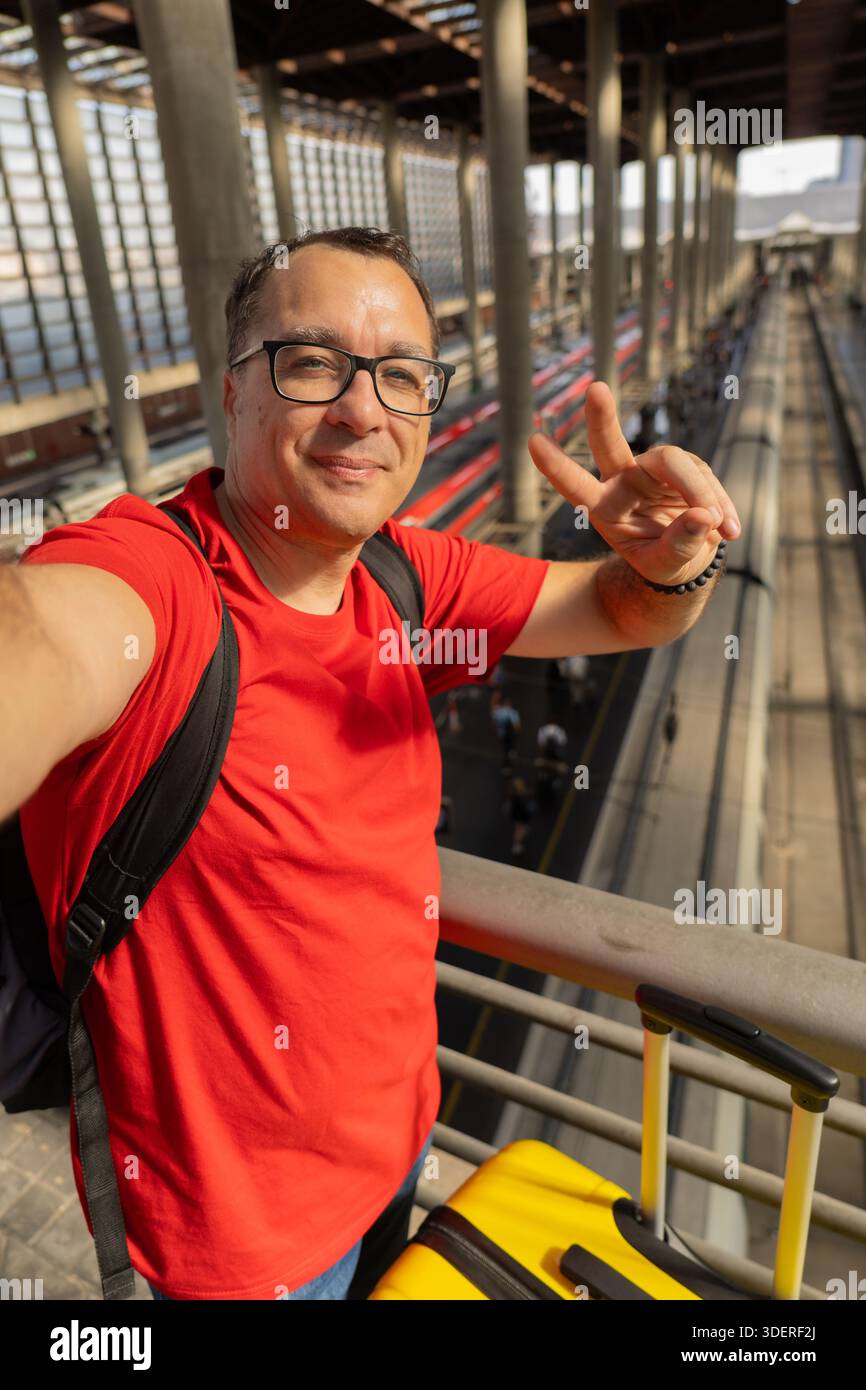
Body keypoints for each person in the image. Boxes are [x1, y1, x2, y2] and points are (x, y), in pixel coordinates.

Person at [2, 225, 738, 1300]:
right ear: (234, 392)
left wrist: (676, 561)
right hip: (242, 1261)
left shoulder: (403, 581)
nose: (363, 411)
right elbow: (42, 634)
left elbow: (620, 612)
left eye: (401, 376)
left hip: (401, 1153)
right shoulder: (151, 593)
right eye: (311, 364)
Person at [505, 775, 535, 857]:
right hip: (521, 816)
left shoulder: (515, 795)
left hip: (518, 816)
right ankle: (517, 845)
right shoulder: (519, 798)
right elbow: (523, 808)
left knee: (519, 828)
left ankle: (517, 844)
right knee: (520, 830)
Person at [491, 693, 521, 767]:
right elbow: (517, 726)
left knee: (504, 748)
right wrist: (517, 733)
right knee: (509, 748)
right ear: (510, 704)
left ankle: (505, 762)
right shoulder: (513, 712)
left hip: (501, 733)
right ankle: (509, 761)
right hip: (510, 734)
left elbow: (494, 721)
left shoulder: (499, 711)